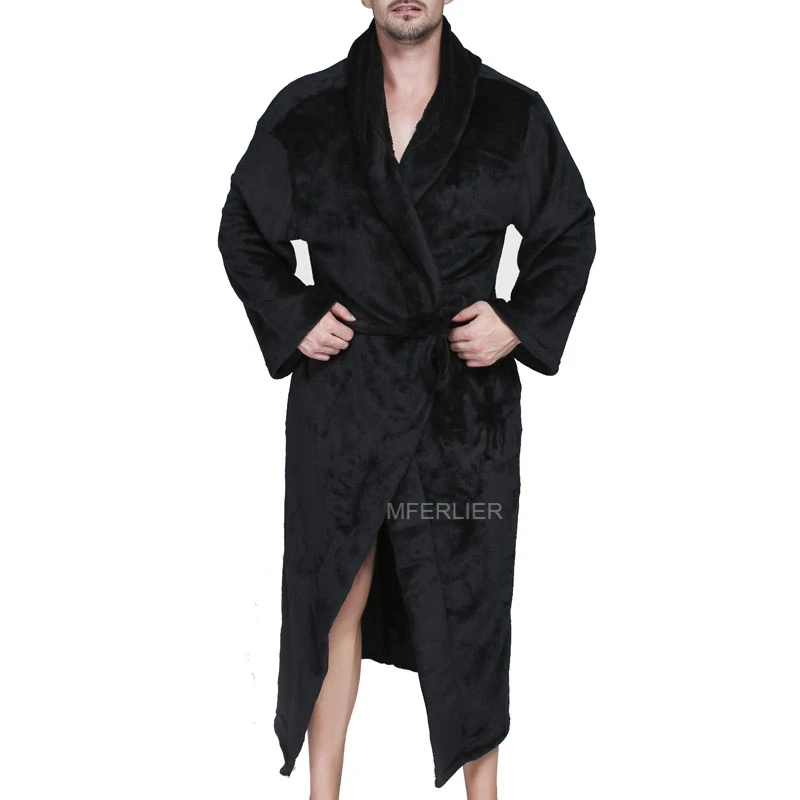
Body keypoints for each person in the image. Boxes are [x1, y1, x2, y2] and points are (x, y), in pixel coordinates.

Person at [217, 1, 596, 797]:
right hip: (344, 402)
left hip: (461, 410)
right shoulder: (311, 109)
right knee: (332, 596)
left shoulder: (510, 112)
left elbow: (569, 230)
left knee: (471, 609)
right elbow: (243, 226)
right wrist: (296, 314)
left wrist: (516, 323)